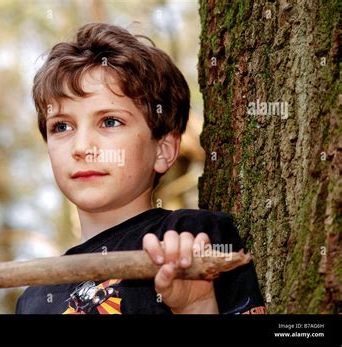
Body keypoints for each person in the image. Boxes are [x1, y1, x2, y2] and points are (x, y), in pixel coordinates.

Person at [16, 22, 266, 314]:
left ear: (163, 149)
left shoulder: (193, 239)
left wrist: (197, 307)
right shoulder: (34, 296)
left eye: (110, 121)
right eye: (62, 126)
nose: (81, 147)